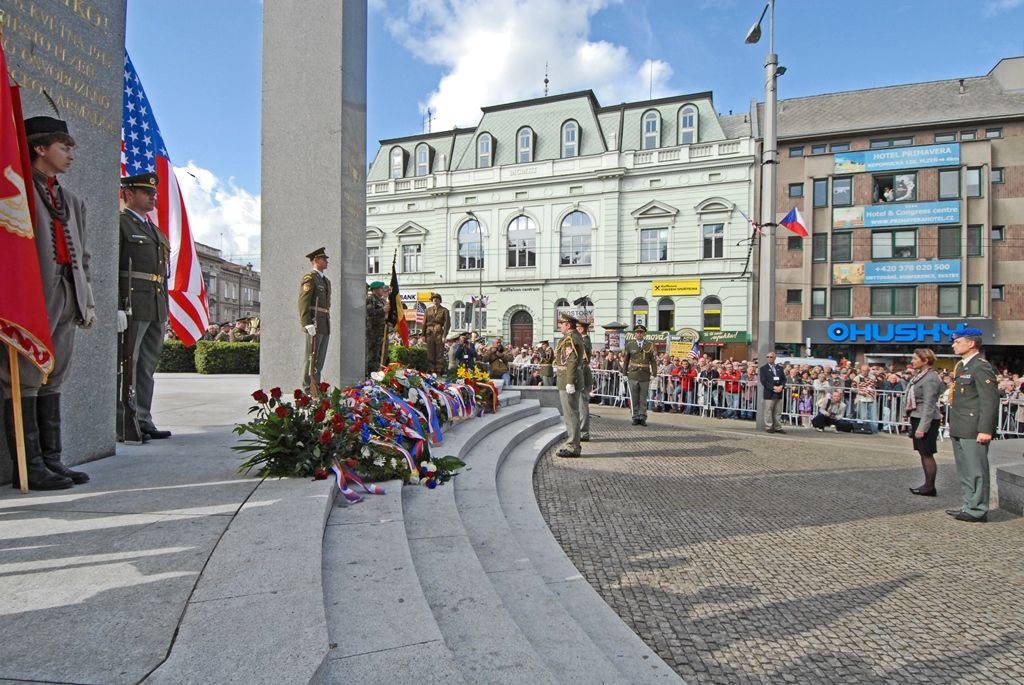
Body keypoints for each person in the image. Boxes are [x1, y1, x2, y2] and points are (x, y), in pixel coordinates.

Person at [1, 116, 94, 489]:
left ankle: (53, 459)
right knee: (23, 378)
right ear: (40, 148)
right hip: (32, 295)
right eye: (64, 147)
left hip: (67, 292)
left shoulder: (70, 200)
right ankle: (30, 464)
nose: (71, 154)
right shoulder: (15, 192)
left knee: (55, 375)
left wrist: (85, 297)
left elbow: (83, 254)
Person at [117, 172, 171, 442]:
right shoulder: (122, 224)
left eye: (153, 193)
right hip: (132, 304)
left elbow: (162, 274)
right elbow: (114, 267)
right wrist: (116, 305)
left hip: (155, 304)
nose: (152, 197)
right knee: (129, 362)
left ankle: (143, 418)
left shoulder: (155, 231)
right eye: (145, 192)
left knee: (147, 365)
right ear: (128, 194)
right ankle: (124, 420)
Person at [946, 328, 1000, 522]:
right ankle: (969, 505)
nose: (953, 344)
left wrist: (985, 429)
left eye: (957, 341)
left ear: (971, 343)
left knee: (976, 470)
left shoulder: (981, 366)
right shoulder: (962, 366)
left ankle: (977, 509)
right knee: (965, 469)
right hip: (960, 424)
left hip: (973, 427)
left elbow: (989, 400)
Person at [904, 348, 946, 497]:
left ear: (925, 360)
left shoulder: (931, 378)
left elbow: (929, 404)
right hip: (917, 416)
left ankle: (930, 487)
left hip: (926, 419)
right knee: (923, 453)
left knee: (927, 453)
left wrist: (922, 427)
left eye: (915, 358)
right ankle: (927, 485)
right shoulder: (919, 376)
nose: (912, 361)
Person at [298, 248, 331, 391]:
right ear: (316, 260)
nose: (327, 262)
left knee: (320, 358)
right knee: (311, 357)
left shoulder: (325, 281)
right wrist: (307, 323)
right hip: (314, 322)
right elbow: (303, 301)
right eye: (324, 259)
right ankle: (307, 388)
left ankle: (315, 387)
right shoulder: (310, 278)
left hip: (324, 322)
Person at [554, 313, 582, 457]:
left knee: (570, 414)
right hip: (566, 378)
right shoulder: (572, 337)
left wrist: (570, 382)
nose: (560, 326)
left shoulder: (570, 339)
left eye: (562, 324)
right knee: (572, 413)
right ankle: (573, 443)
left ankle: (572, 446)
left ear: (568, 325)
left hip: (568, 380)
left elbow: (571, 361)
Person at [622, 324, 657, 426]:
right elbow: (626, 360)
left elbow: (653, 360)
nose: (639, 334)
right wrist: (624, 373)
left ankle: (643, 417)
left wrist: (654, 373)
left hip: (645, 374)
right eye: (637, 332)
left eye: (641, 332)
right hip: (633, 374)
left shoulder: (650, 345)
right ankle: (635, 417)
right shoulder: (629, 344)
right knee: (634, 397)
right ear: (635, 334)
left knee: (643, 398)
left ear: (644, 334)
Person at [365, 280, 389, 377]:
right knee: (372, 356)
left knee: (381, 355)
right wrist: (382, 310)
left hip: (381, 332)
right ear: (375, 290)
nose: (382, 290)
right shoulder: (370, 299)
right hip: (372, 332)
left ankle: (379, 374)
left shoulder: (382, 301)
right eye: (380, 289)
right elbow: (369, 313)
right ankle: (371, 375)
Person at [575, 321, 594, 441]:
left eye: (577, 328)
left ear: (581, 329)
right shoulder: (584, 340)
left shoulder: (584, 341)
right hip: (582, 372)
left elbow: (582, 359)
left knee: (583, 405)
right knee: (581, 404)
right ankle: (582, 431)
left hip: (583, 373)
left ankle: (584, 432)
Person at [758, 352, 786, 433]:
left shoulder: (779, 368)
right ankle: (769, 426)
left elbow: (784, 379)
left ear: (774, 358)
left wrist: (781, 386)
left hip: (779, 392)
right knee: (768, 411)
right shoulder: (763, 368)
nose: (769, 358)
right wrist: (773, 387)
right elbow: (764, 381)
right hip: (769, 393)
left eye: (771, 357)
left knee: (778, 411)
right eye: (768, 357)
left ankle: (778, 427)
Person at [423, 293, 450, 374]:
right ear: (432, 301)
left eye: (437, 299)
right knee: (430, 351)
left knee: (439, 352)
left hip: (439, 332)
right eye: (433, 299)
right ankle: (431, 369)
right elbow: (424, 322)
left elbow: (447, 323)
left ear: (439, 300)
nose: (435, 300)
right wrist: (423, 335)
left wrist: (444, 335)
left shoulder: (444, 310)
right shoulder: (428, 310)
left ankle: (439, 369)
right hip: (429, 332)